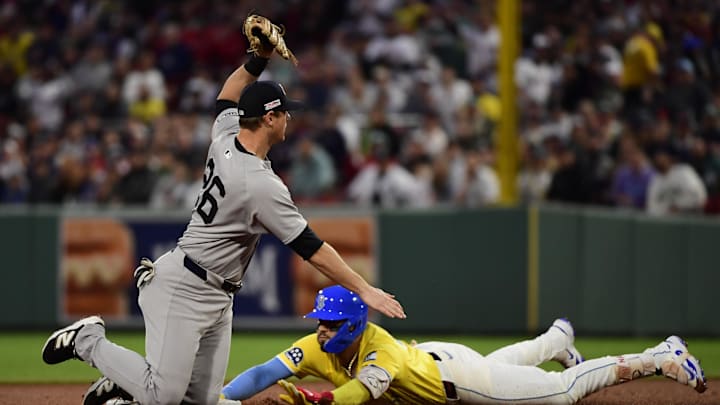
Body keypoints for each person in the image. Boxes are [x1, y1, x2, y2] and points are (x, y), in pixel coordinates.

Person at [41, 26, 405, 405]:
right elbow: (312, 248)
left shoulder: (226, 136)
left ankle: (119, 391)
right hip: (185, 286)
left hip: (217, 292)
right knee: (162, 397)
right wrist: (365, 289)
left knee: (200, 401)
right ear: (268, 119)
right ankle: (88, 340)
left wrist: (258, 58)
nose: (288, 120)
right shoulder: (259, 185)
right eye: (284, 113)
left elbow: (227, 96)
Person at [221, 285, 707, 405]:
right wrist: (223, 397)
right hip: (437, 356)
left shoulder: (380, 349)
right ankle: (558, 337)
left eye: (329, 324)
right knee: (502, 366)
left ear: (351, 325)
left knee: (559, 393)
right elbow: (265, 373)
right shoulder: (315, 345)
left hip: (458, 381)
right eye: (320, 323)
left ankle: (660, 356)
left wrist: (320, 400)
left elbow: (356, 396)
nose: (321, 331)